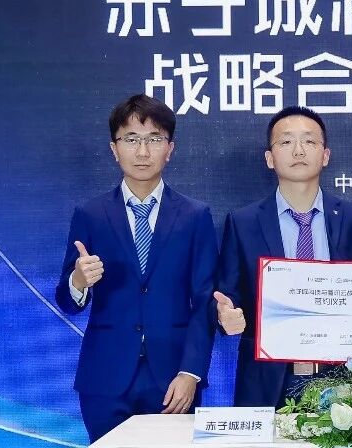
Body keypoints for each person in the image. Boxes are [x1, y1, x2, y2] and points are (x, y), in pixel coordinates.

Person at [55, 94, 232, 442]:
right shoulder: (90, 214)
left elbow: (204, 301)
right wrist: (78, 281)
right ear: (114, 148)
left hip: (173, 380)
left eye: (153, 139)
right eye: (131, 139)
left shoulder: (194, 216)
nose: (142, 151)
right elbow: (66, 299)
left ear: (170, 148)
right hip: (104, 379)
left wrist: (191, 372)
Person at [217, 106, 352, 408]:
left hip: (340, 377)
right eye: (286, 141)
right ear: (270, 158)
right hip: (266, 380)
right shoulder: (243, 222)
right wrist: (226, 314)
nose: (298, 150)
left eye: (309, 141)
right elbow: (229, 294)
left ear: (325, 155)